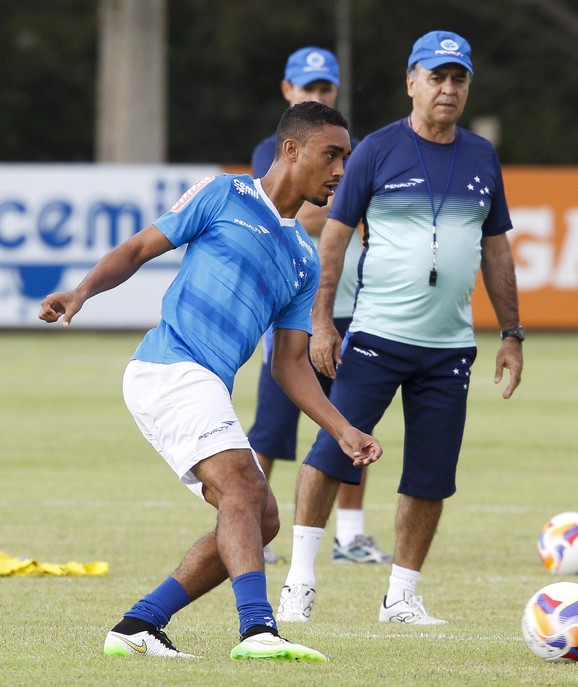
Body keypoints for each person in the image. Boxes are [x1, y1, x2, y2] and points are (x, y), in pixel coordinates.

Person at [38, 102, 381, 661]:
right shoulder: (225, 195)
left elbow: (289, 363)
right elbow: (137, 249)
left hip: (201, 383)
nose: (341, 170)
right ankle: (257, 630)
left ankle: (138, 624)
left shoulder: (303, 258)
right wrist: (81, 291)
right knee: (246, 490)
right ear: (291, 150)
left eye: (345, 157)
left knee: (260, 517)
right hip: (170, 366)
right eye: (332, 155)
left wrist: (342, 429)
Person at [277, 30, 524, 626]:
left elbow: (496, 251)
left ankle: (401, 596)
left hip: (450, 347)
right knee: (331, 454)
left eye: (457, 78)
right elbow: (332, 237)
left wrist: (512, 333)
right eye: (436, 77)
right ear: (411, 82)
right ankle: (299, 581)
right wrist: (322, 322)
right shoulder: (375, 150)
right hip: (376, 335)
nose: (447, 88)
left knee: (432, 473)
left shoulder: (481, 156)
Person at [248, 46, 390, 567]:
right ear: (287, 91)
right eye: (308, 87)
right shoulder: (276, 147)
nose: (318, 95)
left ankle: (350, 536)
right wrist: (344, 209)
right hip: (291, 308)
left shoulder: (346, 152)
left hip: (353, 305)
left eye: (326, 88)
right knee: (270, 428)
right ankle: (252, 529)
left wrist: (339, 209)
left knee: (353, 419)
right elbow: (282, 215)